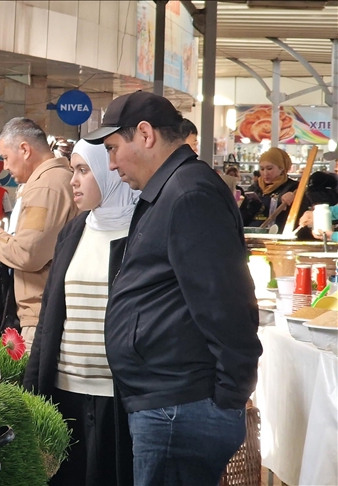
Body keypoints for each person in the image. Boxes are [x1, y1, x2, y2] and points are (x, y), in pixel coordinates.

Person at [84, 91, 262, 485]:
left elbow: (225, 304)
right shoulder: (171, 189)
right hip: (170, 403)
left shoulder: (189, 193)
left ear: (145, 134)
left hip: (182, 409)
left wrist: (226, 397)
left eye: (114, 149)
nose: (111, 165)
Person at [24, 140, 137, 486]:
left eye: (83, 170)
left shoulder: (142, 233)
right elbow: (50, 317)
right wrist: (32, 386)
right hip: (65, 393)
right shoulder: (75, 230)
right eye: (73, 169)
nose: (74, 180)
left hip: (118, 401)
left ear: (110, 172)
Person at [0, 118, 79, 351]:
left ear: (25, 150)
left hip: (40, 315)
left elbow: (28, 253)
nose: (4, 166)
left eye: (5, 157)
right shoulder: (50, 181)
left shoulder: (46, 187)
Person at [239, 147, 298, 230]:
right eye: (262, 169)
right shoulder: (254, 188)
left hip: (277, 236)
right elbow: (241, 220)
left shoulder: (293, 187)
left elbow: (299, 217)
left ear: (281, 168)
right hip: (252, 236)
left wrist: (291, 201)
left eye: (269, 168)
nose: (265, 173)